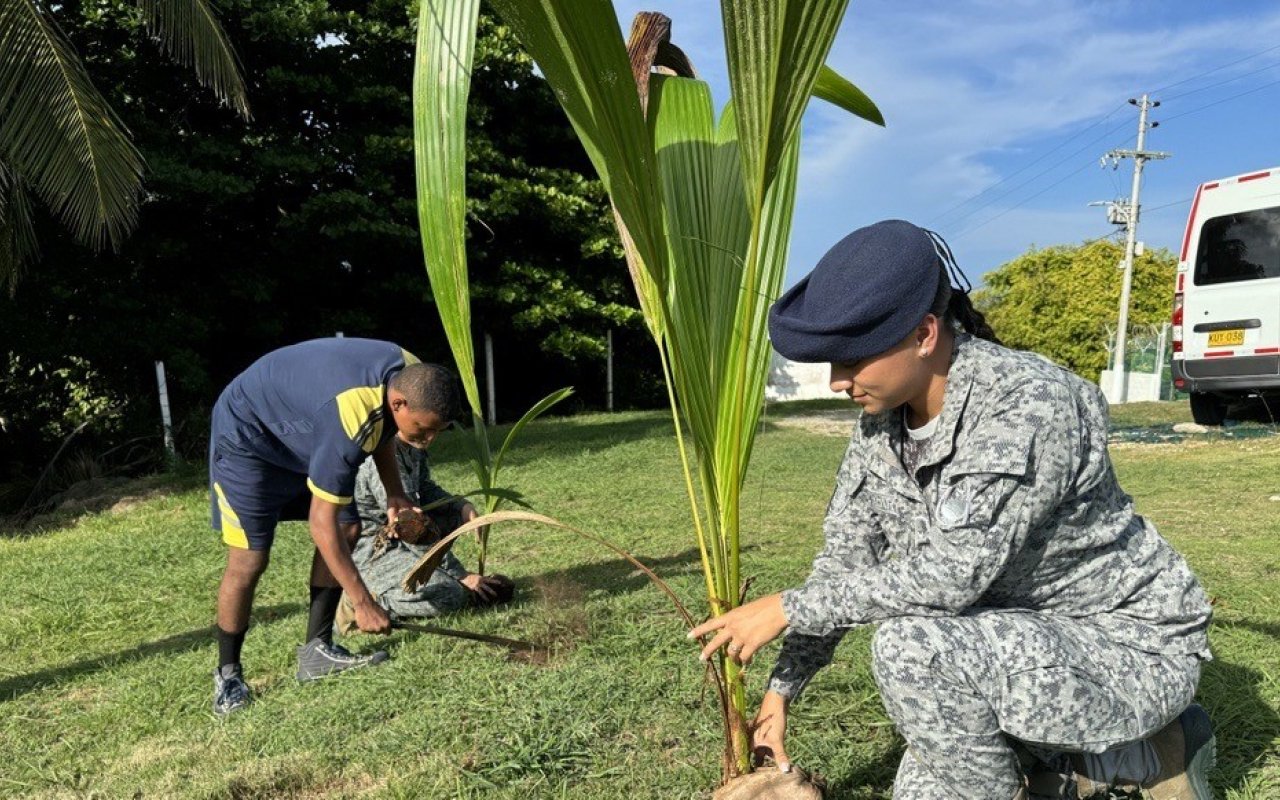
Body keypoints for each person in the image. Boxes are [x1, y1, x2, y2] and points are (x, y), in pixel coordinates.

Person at [688, 220, 1215, 799]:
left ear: (924, 333)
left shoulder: (1029, 403)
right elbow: (845, 567)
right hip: (1005, 644)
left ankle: (1143, 748)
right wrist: (780, 692)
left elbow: (953, 574)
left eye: (851, 360)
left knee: (909, 647)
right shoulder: (880, 427)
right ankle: (1074, 763)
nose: (838, 382)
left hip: (1124, 647)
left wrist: (787, 607)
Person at [209, 337, 460, 716]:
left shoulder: (410, 372)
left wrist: (396, 493)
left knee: (349, 527)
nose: (427, 442)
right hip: (248, 436)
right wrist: (363, 602)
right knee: (250, 558)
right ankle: (228, 675)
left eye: (436, 433)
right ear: (400, 403)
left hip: (303, 426)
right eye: (423, 430)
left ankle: (316, 653)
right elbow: (319, 524)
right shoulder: (349, 411)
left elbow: (381, 429)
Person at [334, 428, 514, 633]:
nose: (429, 437)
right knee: (449, 593)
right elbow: (413, 533)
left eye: (435, 430)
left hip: (399, 538)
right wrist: (460, 575)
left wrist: (460, 506)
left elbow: (425, 487)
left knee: (452, 516)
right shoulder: (382, 461)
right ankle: (363, 602)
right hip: (372, 551)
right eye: (423, 428)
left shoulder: (410, 447)